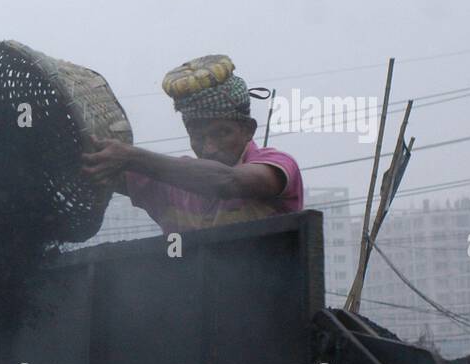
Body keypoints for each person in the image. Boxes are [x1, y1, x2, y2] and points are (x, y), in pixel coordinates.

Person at [80, 55, 303, 234]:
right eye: (197, 136)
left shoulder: (278, 165)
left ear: (248, 130)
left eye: (221, 133)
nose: (209, 148)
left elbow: (226, 181)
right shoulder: (168, 183)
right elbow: (93, 165)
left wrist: (131, 157)